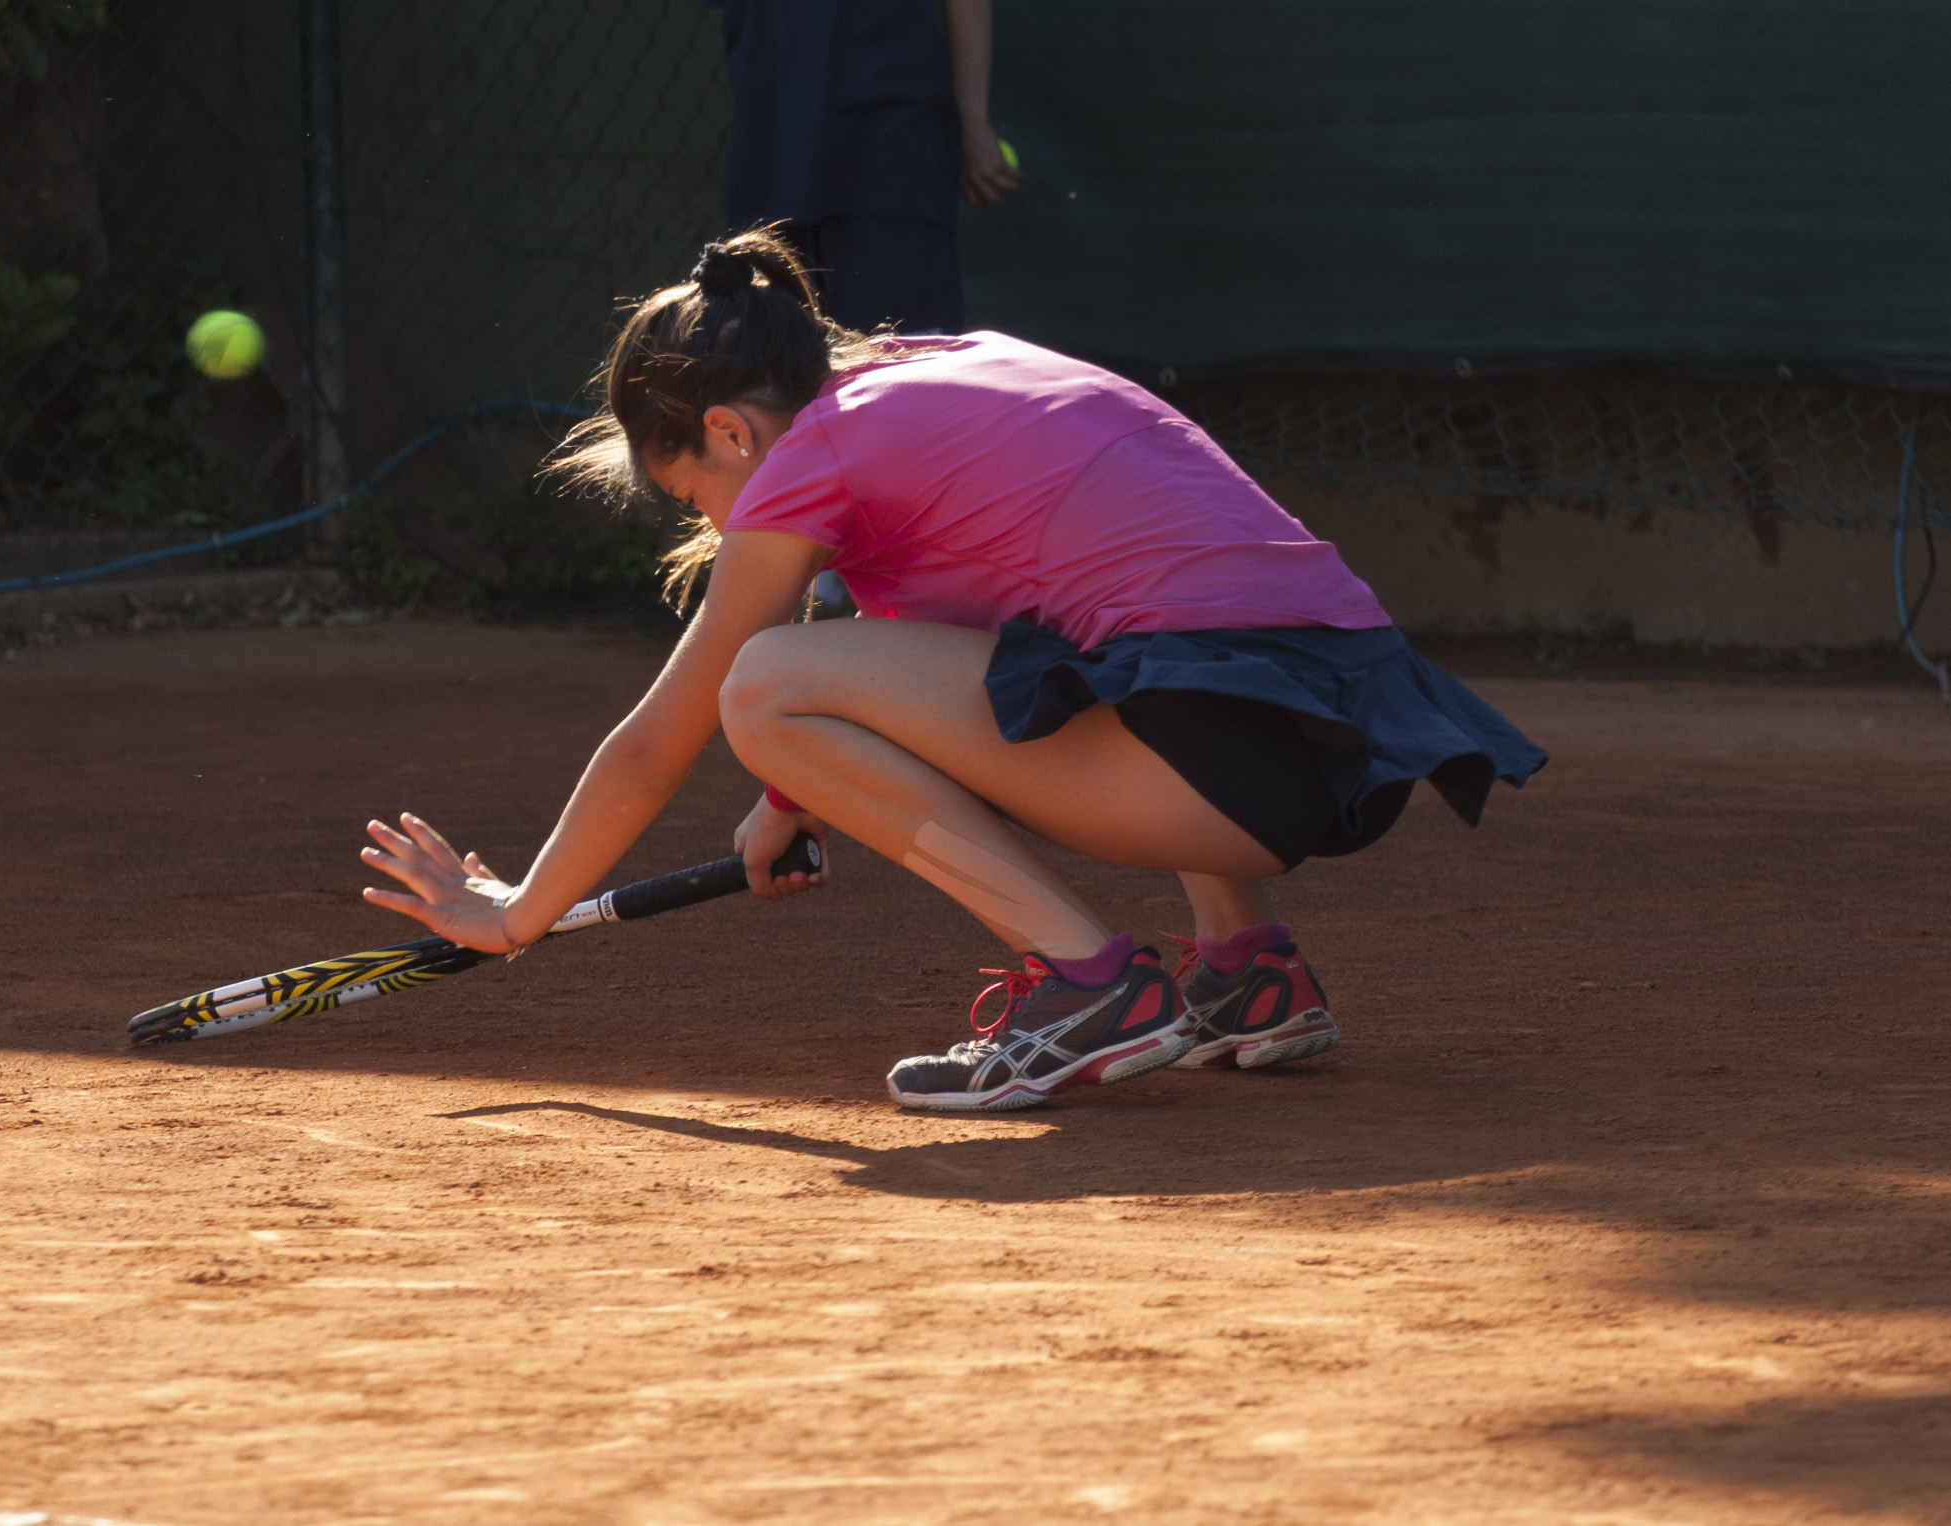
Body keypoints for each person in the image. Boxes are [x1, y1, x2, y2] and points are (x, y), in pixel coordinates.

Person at [358, 231, 1546, 1113]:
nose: (718, 519)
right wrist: (791, 797)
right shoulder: (951, 372)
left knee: (760, 679)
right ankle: (1247, 972)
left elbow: (664, 732)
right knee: (1112, 628)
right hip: (1337, 746)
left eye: (691, 494)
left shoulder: (804, 462)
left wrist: (514, 914)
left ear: (729, 430)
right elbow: (992, 656)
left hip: (1227, 763)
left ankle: (1088, 979)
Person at [711, 0, 1021, 335]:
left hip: (889, 150)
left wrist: (972, 118)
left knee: (901, 360)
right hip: (771, 158)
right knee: (772, 359)